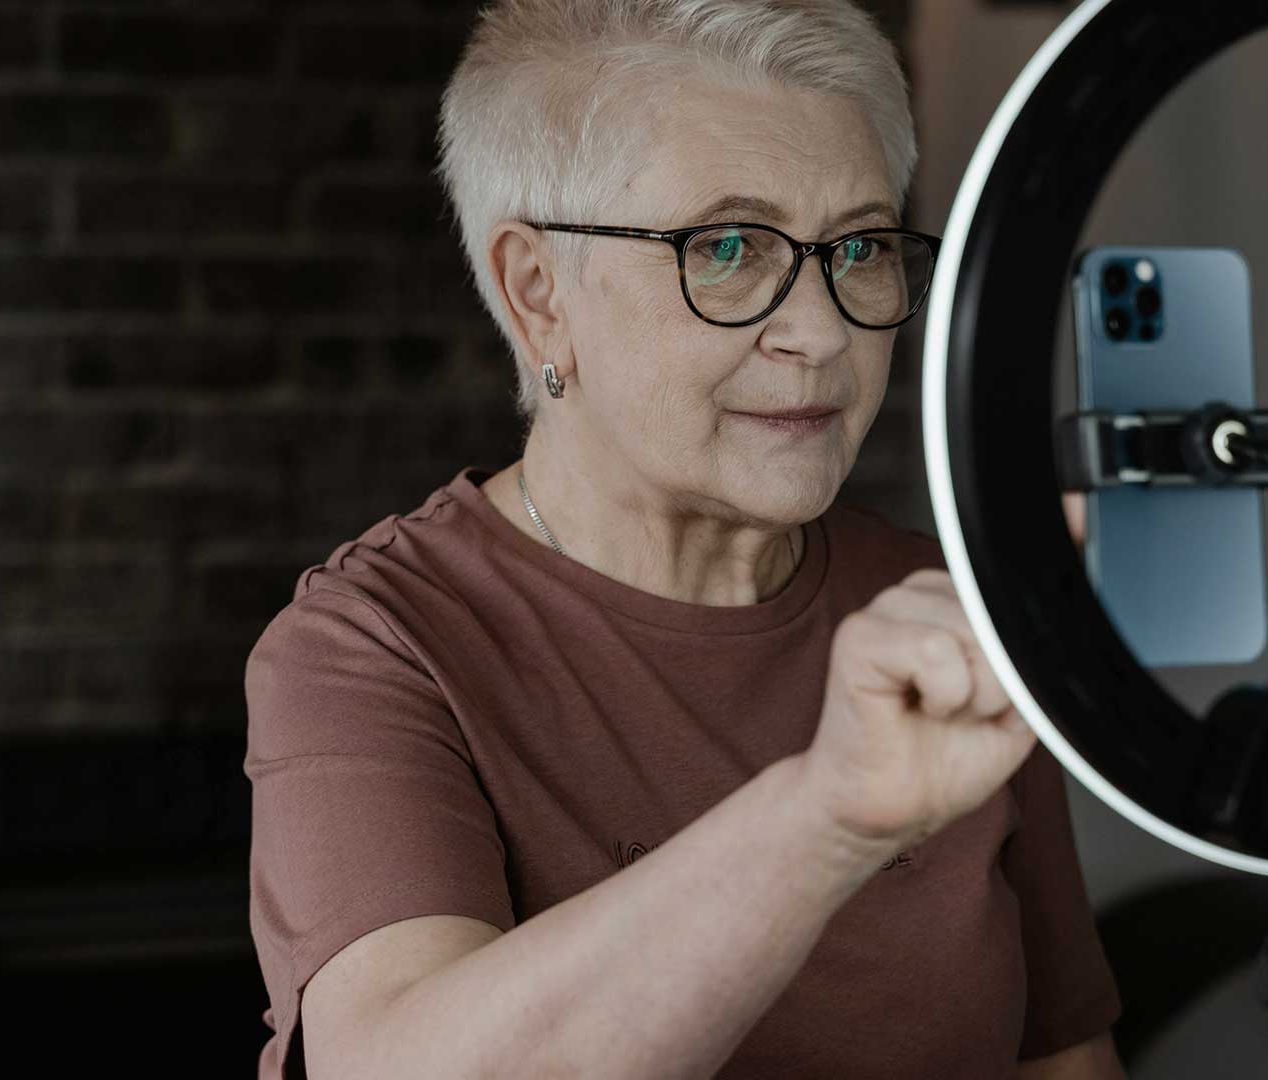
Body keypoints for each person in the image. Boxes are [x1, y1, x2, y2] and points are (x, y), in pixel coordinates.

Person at [243, 1, 1123, 1076]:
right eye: (731, 248)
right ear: (538, 294)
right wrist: (828, 813)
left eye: (859, 245)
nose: (822, 331)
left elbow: (1066, 1062)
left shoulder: (944, 605)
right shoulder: (375, 644)